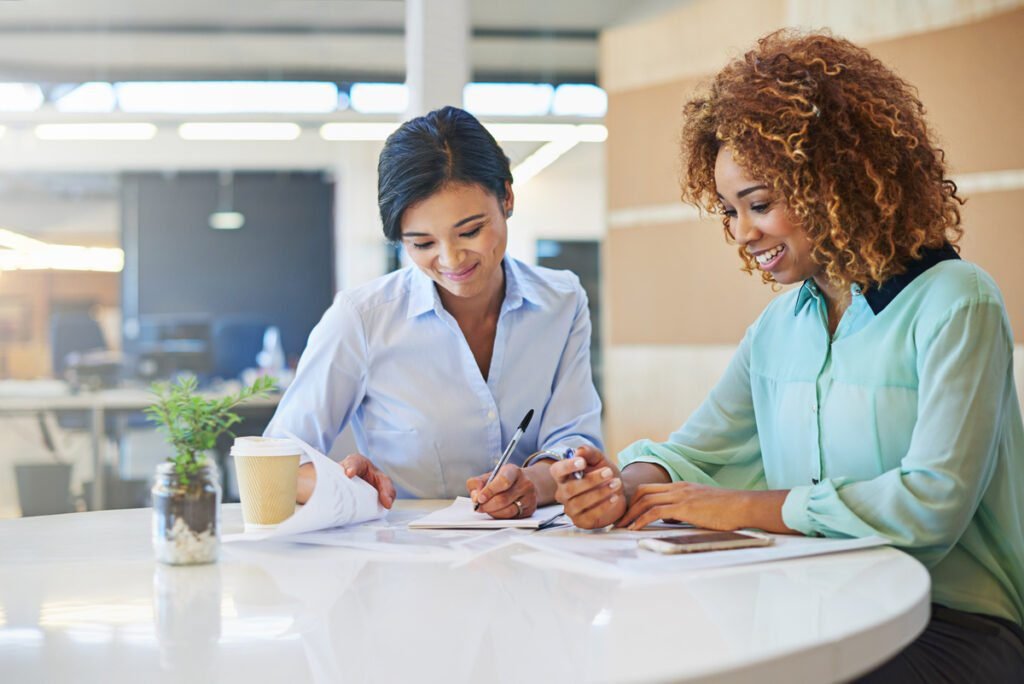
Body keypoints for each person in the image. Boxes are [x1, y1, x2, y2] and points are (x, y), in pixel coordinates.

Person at [551, 31, 1023, 681]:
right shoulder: (779, 328)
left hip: (950, 625)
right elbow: (696, 455)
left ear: (835, 181)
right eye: (729, 211)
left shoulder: (957, 302)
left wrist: (737, 508)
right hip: (818, 607)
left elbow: (930, 506)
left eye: (760, 204)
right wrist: (620, 490)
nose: (743, 233)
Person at [266, 106, 603, 519]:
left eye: (470, 231)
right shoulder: (363, 318)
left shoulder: (562, 301)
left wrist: (532, 483)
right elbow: (274, 458)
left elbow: (574, 437)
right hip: (407, 562)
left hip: (530, 550)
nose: (451, 259)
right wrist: (340, 483)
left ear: (507, 197)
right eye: (422, 244)